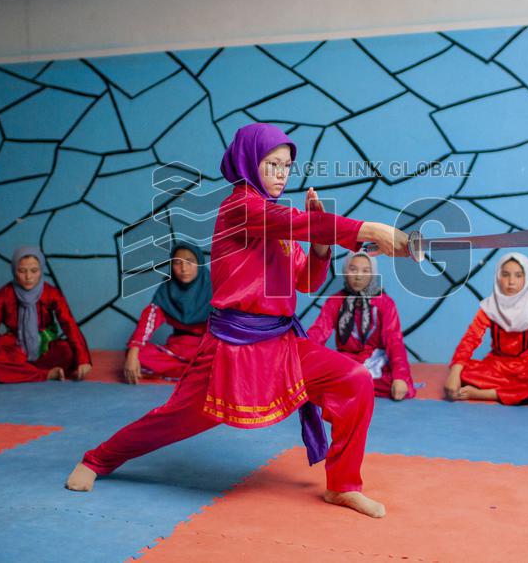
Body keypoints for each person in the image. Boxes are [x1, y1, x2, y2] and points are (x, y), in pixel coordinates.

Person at [66, 123, 410, 518]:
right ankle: (96, 459)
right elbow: (296, 221)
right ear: (250, 162)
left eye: (287, 166)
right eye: (273, 164)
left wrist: (318, 244)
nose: (282, 174)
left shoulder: (278, 222)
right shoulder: (241, 206)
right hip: (232, 347)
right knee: (172, 420)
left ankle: (343, 485)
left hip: (282, 344)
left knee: (355, 379)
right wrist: (369, 230)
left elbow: (307, 280)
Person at [444, 252, 528, 408]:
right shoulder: (490, 307)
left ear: (527, 278)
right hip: (498, 366)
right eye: (505, 275)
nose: (511, 282)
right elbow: (470, 339)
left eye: (518, 276)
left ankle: (487, 394)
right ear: (498, 277)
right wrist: (455, 373)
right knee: (462, 371)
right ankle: (523, 396)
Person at [0, 247, 92, 385]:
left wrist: (83, 359)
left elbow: (69, 324)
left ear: (41, 270)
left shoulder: (51, 293)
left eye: (34, 271)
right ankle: (44, 374)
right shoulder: (3, 295)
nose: (28, 277)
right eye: (22, 271)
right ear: (14, 271)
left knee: (69, 352)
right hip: (16, 347)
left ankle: (21, 371)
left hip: (44, 347)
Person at [307, 250, 416, 400]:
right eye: (353, 269)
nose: (359, 276)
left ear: (373, 274)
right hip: (346, 362)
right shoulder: (335, 301)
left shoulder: (384, 302)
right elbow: (318, 332)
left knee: (400, 386)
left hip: (377, 362)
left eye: (365, 270)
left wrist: (400, 377)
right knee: (315, 375)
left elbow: (394, 340)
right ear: (345, 271)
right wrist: (299, 358)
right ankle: (349, 382)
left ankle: (346, 384)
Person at [124, 240, 211, 383]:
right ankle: (197, 375)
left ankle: (196, 372)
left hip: (206, 350)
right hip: (176, 349)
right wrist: (134, 349)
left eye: (190, 262)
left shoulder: (213, 288)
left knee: (231, 359)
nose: (184, 268)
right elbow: (148, 320)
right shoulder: (167, 290)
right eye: (177, 262)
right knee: (135, 355)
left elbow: (226, 329)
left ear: (200, 263)